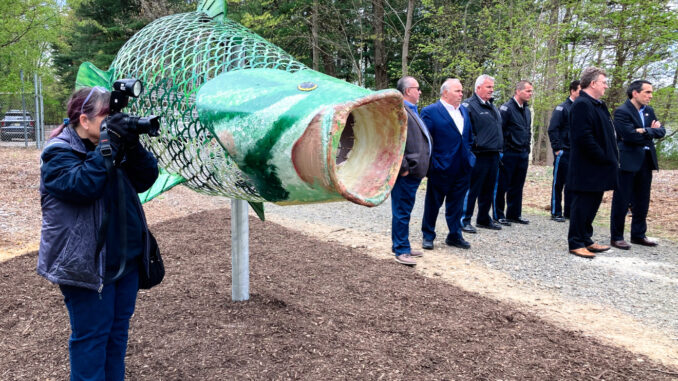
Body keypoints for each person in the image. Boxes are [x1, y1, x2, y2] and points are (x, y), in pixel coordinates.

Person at [38, 86, 159, 379]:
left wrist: (131, 145)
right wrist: (111, 144)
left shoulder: (111, 145)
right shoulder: (58, 154)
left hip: (125, 262)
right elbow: (83, 187)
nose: (113, 122)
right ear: (85, 120)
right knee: (92, 340)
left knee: (116, 339)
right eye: (107, 116)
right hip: (87, 266)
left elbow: (146, 178)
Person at [567, 67, 618, 258]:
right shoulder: (582, 104)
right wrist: (603, 156)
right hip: (587, 166)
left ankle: (586, 238)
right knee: (582, 204)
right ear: (593, 83)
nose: (606, 85)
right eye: (604, 82)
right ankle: (576, 242)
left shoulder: (598, 105)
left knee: (593, 203)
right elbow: (583, 137)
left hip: (598, 167)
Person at [609, 80, 665, 250]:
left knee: (642, 200)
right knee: (622, 199)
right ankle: (617, 237)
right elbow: (629, 136)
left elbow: (661, 132)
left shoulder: (649, 111)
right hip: (628, 161)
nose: (650, 96)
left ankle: (638, 235)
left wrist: (645, 130)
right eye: (647, 92)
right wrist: (650, 131)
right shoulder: (622, 111)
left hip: (646, 160)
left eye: (651, 92)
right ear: (635, 93)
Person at [420, 78, 475, 250]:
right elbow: (425, 141)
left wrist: (470, 157)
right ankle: (428, 235)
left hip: (463, 167)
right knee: (433, 203)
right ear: (445, 92)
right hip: (440, 167)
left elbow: (469, 136)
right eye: (457, 91)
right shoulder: (430, 111)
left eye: (461, 91)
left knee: (457, 204)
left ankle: (454, 235)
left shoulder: (464, 111)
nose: (461, 94)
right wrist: (432, 164)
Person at [391, 76, 432, 266]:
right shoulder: (399, 111)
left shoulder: (412, 110)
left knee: (405, 210)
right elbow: (393, 143)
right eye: (417, 88)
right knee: (402, 211)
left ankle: (401, 245)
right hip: (407, 173)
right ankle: (401, 250)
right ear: (408, 91)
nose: (420, 91)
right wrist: (404, 169)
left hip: (415, 172)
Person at [460, 75, 504, 233]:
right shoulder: (469, 105)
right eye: (488, 87)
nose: (492, 90)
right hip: (478, 154)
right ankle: (464, 219)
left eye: (492, 87)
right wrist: (474, 146)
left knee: (488, 189)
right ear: (478, 88)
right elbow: (465, 131)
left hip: (494, 154)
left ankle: (484, 218)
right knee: (472, 189)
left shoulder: (493, 106)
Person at [494, 80, 534, 225]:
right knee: (502, 185)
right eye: (528, 91)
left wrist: (527, 149)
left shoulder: (527, 110)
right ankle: (498, 214)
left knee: (517, 185)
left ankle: (514, 214)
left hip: (522, 153)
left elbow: (528, 131)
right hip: (508, 152)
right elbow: (500, 131)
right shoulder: (506, 108)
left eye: (531, 91)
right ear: (518, 91)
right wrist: (502, 150)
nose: (530, 94)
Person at [547, 80, 581, 222]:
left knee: (572, 183)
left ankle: (569, 212)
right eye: (580, 91)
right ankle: (556, 212)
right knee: (558, 183)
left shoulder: (581, 108)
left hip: (576, 153)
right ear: (572, 91)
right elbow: (553, 129)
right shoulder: (562, 108)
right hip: (563, 151)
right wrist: (557, 149)